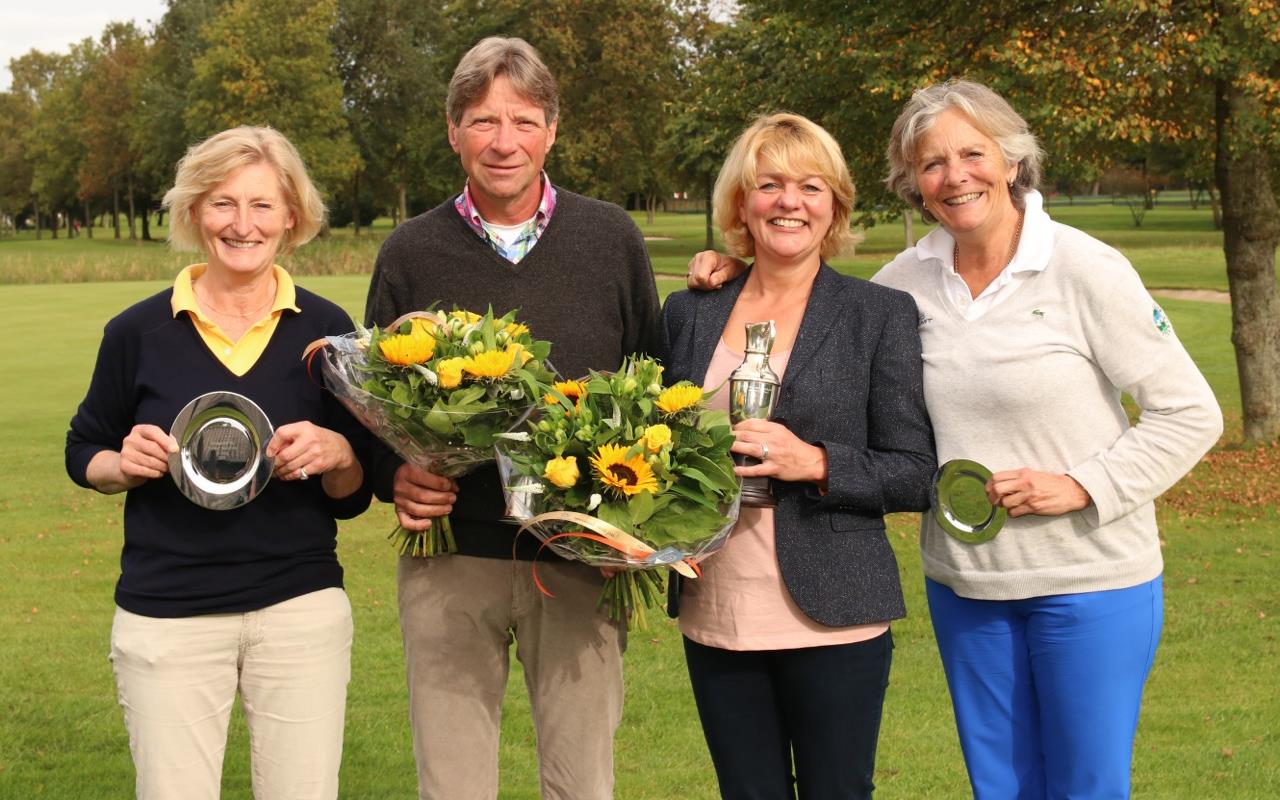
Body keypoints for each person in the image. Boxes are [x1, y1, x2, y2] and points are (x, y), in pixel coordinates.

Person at [688, 81, 1224, 799]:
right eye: (932, 163)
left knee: (1085, 787)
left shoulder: (1084, 268)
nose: (954, 176)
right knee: (998, 788)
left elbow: (1190, 413)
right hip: (967, 584)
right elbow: (816, 309)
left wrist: (1083, 485)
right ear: (914, 182)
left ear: (1012, 160)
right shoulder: (906, 283)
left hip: (1090, 579)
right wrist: (734, 273)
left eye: (973, 154)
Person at [362, 37, 661, 800]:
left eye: (524, 121)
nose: (504, 142)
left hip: (579, 560)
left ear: (552, 132)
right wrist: (394, 474)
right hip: (452, 558)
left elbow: (655, 384)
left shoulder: (611, 239)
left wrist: (632, 518)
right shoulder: (409, 251)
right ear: (453, 131)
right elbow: (375, 406)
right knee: (452, 784)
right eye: (484, 121)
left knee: (582, 783)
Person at [64, 125, 372, 800]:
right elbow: (83, 449)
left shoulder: (329, 332)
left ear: (291, 216)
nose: (242, 224)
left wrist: (341, 452)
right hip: (167, 615)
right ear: (195, 211)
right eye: (223, 203)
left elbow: (353, 494)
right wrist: (122, 463)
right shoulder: (136, 332)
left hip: (299, 610)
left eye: (262, 204)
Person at [663, 113, 936, 799]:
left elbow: (914, 471)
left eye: (811, 187)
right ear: (742, 203)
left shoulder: (879, 314)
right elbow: (654, 442)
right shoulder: (689, 312)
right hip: (717, 608)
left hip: (835, 612)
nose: (790, 201)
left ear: (834, 206)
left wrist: (816, 462)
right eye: (770, 185)